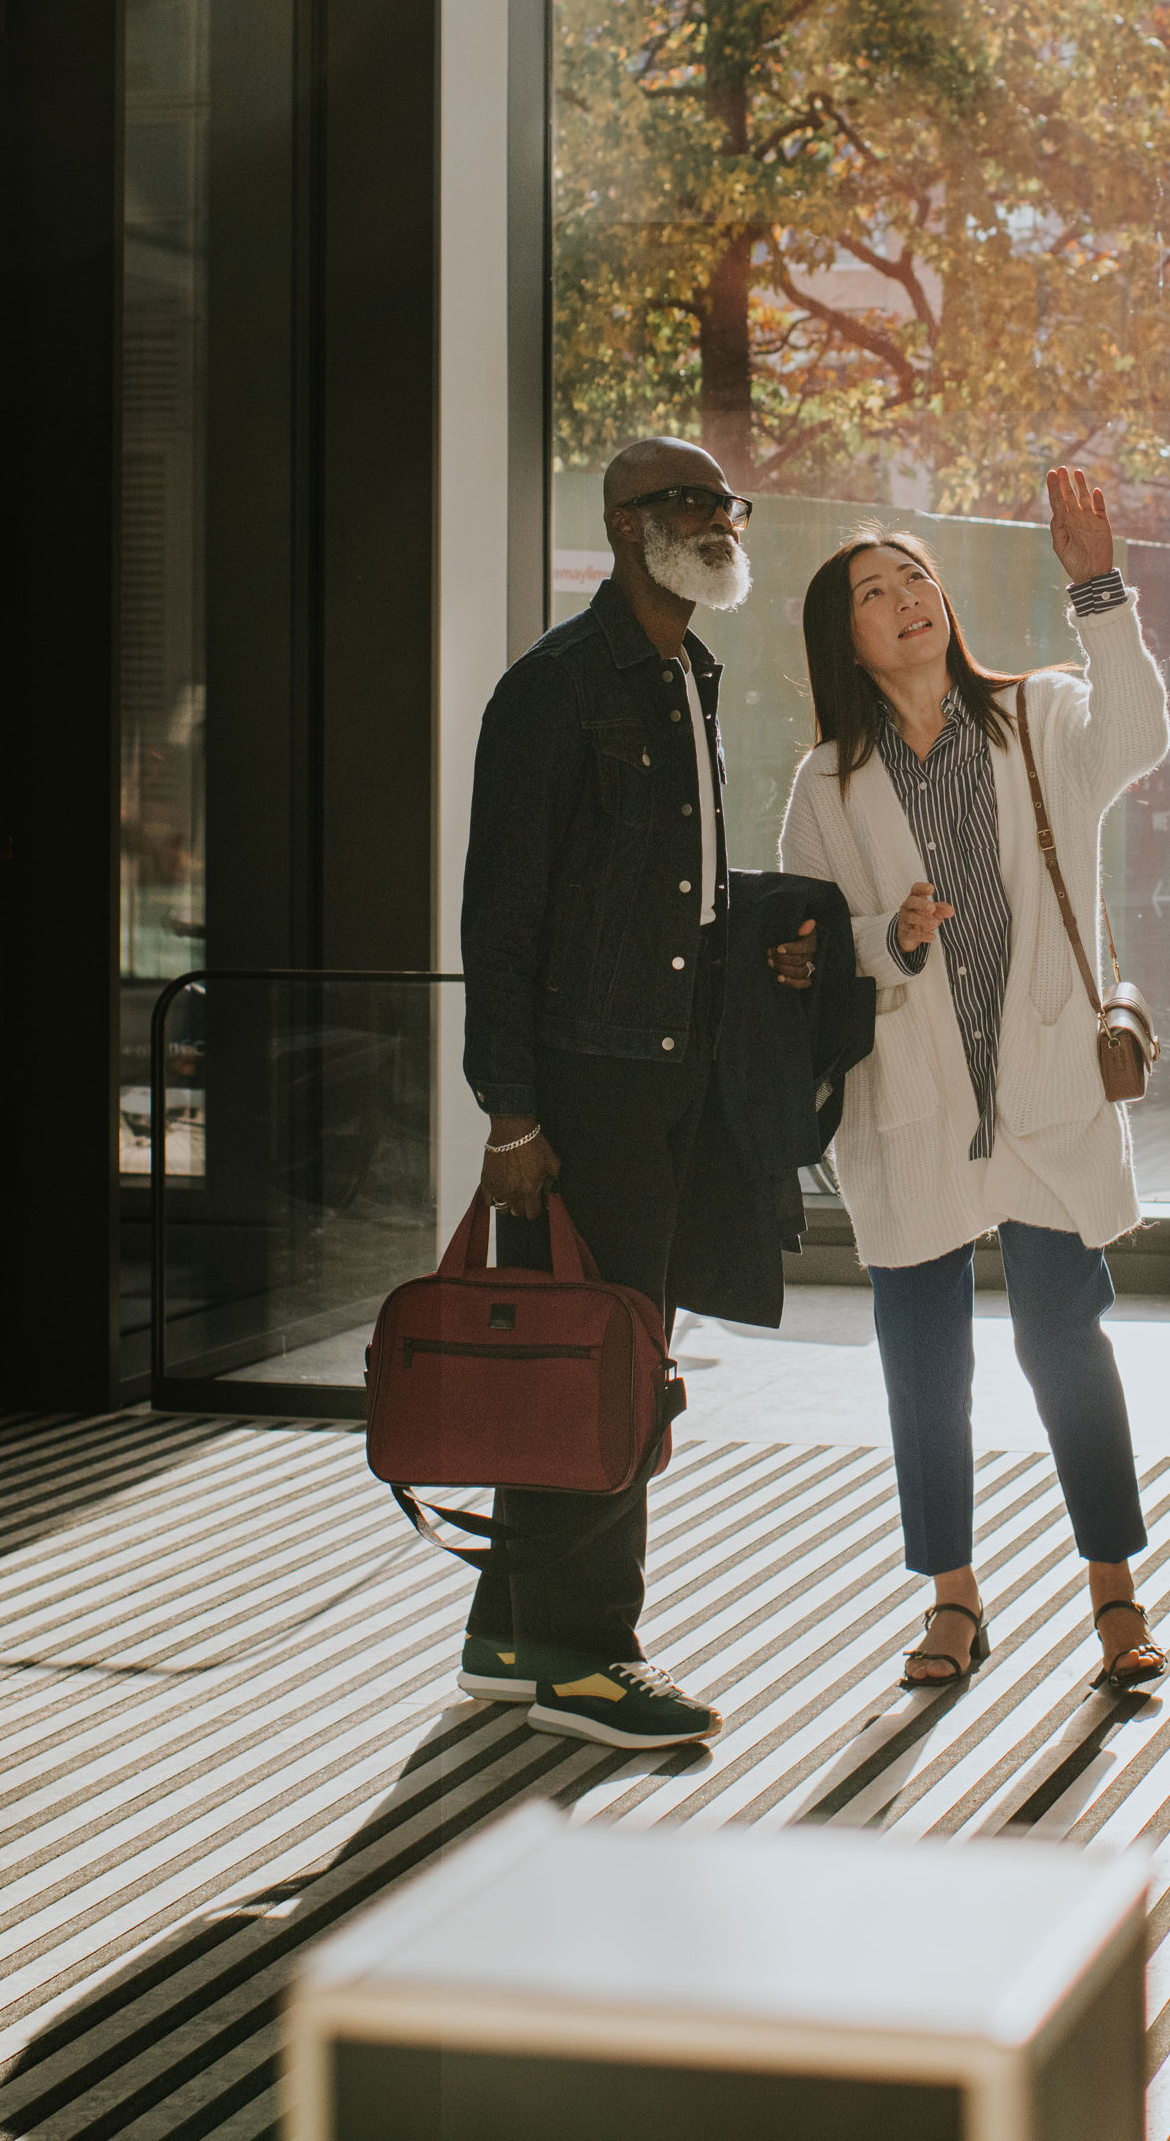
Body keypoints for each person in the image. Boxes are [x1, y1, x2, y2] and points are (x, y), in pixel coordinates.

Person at [778, 469, 1170, 1694]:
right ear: (841, 636)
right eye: (874, 590)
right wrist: (886, 940)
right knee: (923, 1359)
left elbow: (1142, 732)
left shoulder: (1043, 716)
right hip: (913, 1107)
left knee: (1066, 1342)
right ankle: (953, 1597)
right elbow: (805, 947)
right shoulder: (826, 787)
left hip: (1045, 1082)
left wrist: (1095, 588)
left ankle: (1114, 1588)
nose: (907, 599)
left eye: (918, 579)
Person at [457, 437, 816, 1750]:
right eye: (689, 503)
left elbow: (667, 888)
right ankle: (586, 1655)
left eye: (727, 503)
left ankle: (510, 1629)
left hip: (670, 1071)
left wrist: (755, 946)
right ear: (621, 525)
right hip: (585, 1085)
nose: (720, 521)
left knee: (590, 1354)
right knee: (605, 1364)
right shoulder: (558, 686)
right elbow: (502, 914)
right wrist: (510, 1108)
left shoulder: (686, 671)